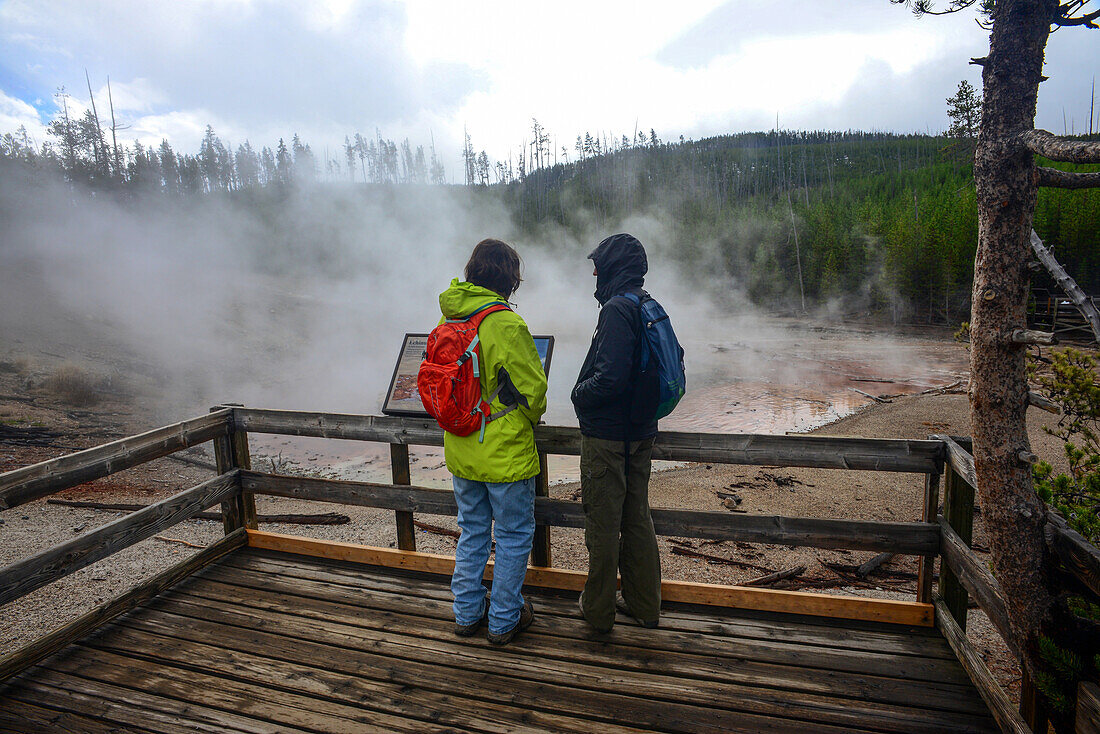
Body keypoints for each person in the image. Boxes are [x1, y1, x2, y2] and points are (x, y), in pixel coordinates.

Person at [438, 238, 548, 645]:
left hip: (462, 447)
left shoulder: (448, 321)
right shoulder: (506, 324)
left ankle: (467, 614)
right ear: (508, 279)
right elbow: (534, 392)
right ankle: (503, 622)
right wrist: (528, 419)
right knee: (515, 535)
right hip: (505, 455)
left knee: (471, 532)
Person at [572, 233, 663, 633]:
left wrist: (577, 394)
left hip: (608, 438)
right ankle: (645, 606)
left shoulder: (614, 310)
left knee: (603, 525)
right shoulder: (648, 304)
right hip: (641, 432)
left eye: (598, 265)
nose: (594, 272)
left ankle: (598, 613)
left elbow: (608, 379)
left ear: (610, 268)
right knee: (637, 518)